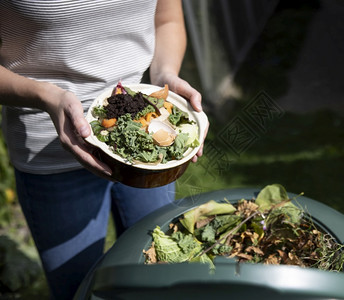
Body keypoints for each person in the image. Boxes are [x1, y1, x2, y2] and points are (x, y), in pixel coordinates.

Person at [0, 1, 205, 299]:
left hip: (143, 144)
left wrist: (165, 75)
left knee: (154, 278)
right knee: (79, 289)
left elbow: (167, 20)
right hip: (52, 154)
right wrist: (46, 96)